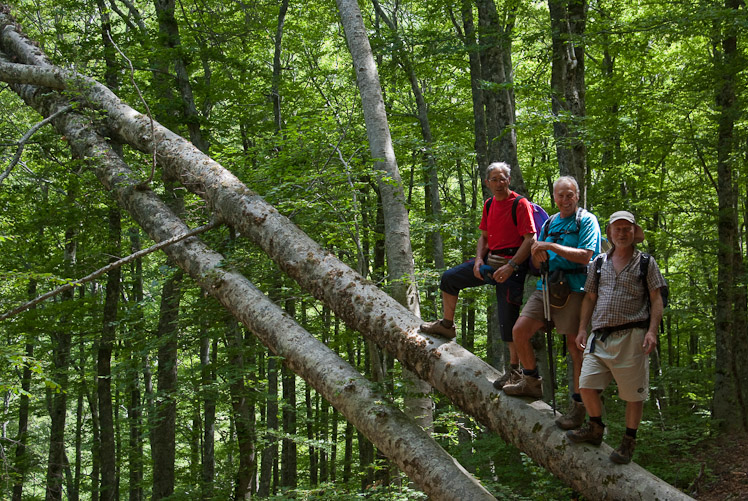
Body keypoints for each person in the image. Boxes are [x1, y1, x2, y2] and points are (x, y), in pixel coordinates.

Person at [420, 162, 536, 385]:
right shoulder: (489, 204)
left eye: (503, 178)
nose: (499, 183)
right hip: (489, 261)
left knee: (508, 319)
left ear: (509, 180)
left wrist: (510, 266)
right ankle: (447, 325)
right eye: (494, 179)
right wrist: (478, 261)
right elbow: (483, 236)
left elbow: (530, 239)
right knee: (450, 278)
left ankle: (514, 371)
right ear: (487, 182)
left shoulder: (520, 204)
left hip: (513, 266)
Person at [501, 176, 601, 432]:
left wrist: (549, 246)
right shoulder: (549, 223)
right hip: (545, 287)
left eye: (569, 195)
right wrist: (538, 254)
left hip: (575, 288)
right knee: (519, 331)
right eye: (560, 195)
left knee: (575, 348)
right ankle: (531, 381)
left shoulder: (586, 220)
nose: (565, 200)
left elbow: (586, 256)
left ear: (577, 196)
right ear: (554, 197)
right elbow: (536, 259)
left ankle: (580, 408)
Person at [566, 210, 665, 464]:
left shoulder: (645, 263)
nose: (621, 233)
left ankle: (629, 441)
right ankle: (596, 427)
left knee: (633, 394)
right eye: (617, 229)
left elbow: (656, 298)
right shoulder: (598, 263)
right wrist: (581, 329)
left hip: (633, 336)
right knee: (586, 385)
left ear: (634, 233)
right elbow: (590, 297)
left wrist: (652, 331)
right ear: (609, 232)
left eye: (627, 229)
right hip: (599, 336)